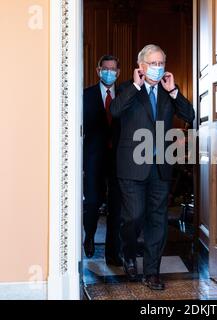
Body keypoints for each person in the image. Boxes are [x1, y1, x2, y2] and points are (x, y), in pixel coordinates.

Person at [110, 44, 195, 290]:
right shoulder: (128, 88)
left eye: (161, 64)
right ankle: (127, 251)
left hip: (161, 166)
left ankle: (152, 272)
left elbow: (189, 114)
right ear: (141, 66)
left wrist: (175, 91)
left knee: (157, 220)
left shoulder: (169, 92)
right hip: (132, 165)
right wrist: (136, 86)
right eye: (153, 63)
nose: (158, 68)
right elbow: (114, 111)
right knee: (134, 216)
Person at [83, 55, 122, 266]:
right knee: (92, 201)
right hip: (93, 157)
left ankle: (112, 253)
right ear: (99, 70)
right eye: (105, 68)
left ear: (118, 72)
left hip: (117, 158)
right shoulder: (86, 95)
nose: (109, 72)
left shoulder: (124, 94)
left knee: (116, 205)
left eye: (113, 69)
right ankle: (89, 236)